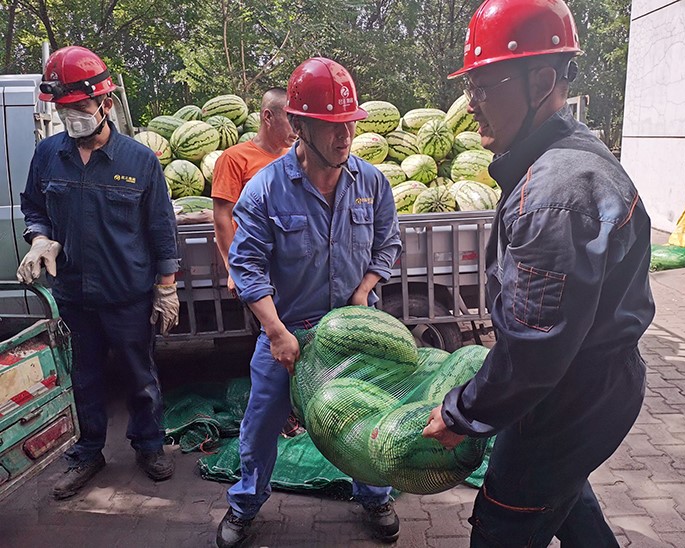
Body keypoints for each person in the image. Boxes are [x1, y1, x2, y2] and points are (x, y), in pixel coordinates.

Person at [422, 1, 655, 546]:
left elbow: (533, 348)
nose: (470, 103)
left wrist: (460, 414)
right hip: (586, 387)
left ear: (542, 80)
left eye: (484, 85)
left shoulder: (554, 194)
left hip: (570, 396)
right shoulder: (566, 156)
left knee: (508, 513)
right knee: (562, 496)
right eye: (469, 87)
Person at [216, 57, 402, 547]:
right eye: (330, 126)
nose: (344, 137)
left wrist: (364, 290)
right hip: (288, 330)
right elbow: (247, 265)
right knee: (261, 422)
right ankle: (245, 505)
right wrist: (275, 332)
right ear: (298, 125)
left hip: (355, 329)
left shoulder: (373, 183)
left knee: (368, 418)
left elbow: (388, 244)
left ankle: (375, 495)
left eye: (349, 125)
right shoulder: (264, 190)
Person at [17, 45, 180, 500]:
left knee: (140, 377)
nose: (73, 117)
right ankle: (88, 452)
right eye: (65, 109)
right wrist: (40, 238)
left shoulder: (139, 161)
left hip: (127, 294)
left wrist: (166, 289)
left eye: (81, 107)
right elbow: (34, 205)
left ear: (105, 103)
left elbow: (161, 230)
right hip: (74, 294)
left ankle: (149, 446)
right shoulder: (49, 155)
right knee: (84, 378)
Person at [212, 87, 297, 294]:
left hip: (294, 269)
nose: (297, 127)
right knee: (265, 325)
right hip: (256, 267)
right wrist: (233, 268)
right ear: (268, 116)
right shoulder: (233, 158)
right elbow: (223, 216)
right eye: (290, 119)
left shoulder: (297, 157)